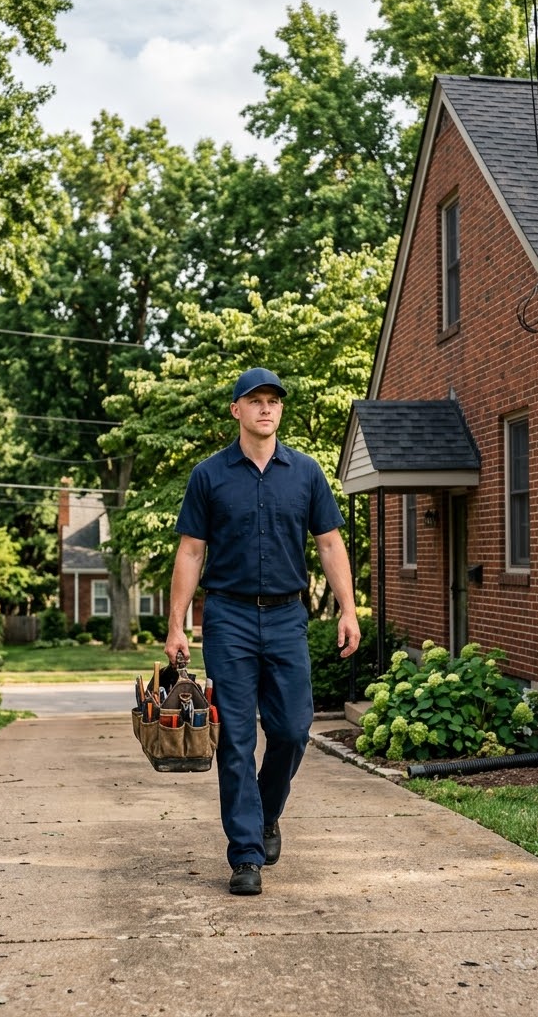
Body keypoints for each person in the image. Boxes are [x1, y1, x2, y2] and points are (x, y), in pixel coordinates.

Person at [165, 366, 360, 896]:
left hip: (286, 615)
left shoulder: (306, 473)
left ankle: (267, 812)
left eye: (273, 400)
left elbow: (328, 544)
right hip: (226, 617)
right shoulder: (209, 476)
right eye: (255, 401)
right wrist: (177, 623)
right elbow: (190, 551)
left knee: (294, 730)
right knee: (237, 738)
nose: (266, 408)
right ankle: (245, 854)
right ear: (236, 411)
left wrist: (347, 608)